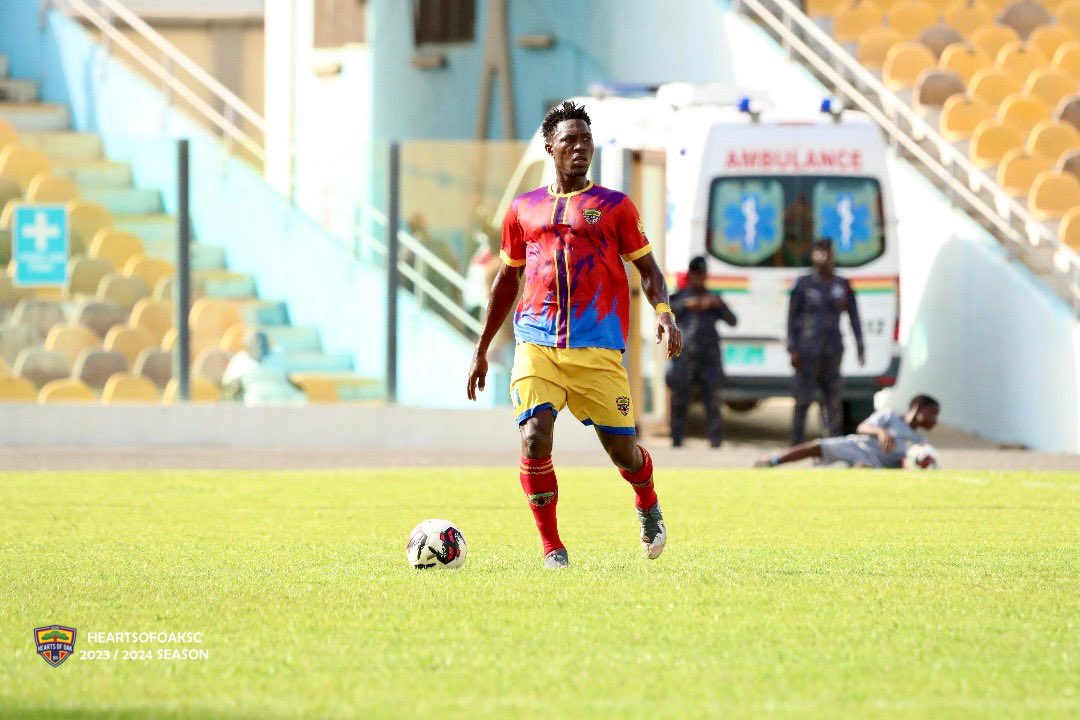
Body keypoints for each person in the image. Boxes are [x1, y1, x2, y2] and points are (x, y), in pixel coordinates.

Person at [466, 100, 682, 568]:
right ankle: (552, 547)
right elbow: (507, 281)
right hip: (536, 344)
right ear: (550, 148)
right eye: (570, 141)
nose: (580, 148)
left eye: (586, 140)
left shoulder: (615, 207)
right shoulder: (523, 209)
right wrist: (482, 349)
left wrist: (663, 311)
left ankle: (647, 501)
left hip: (597, 349)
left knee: (624, 454)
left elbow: (648, 269)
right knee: (533, 439)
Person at [787, 238, 865, 444]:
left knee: (832, 399)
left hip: (833, 350)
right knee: (803, 397)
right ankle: (797, 442)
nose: (823, 256)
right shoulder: (803, 284)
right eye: (818, 252)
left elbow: (854, 317)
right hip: (807, 350)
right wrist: (792, 349)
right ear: (812, 255)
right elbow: (792, 318)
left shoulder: (842, 285)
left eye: (827, 252)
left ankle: (833, 442)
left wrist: (860, 347)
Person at [754, 394, 940, 469]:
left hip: (874, 464)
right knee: (818, 446)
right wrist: (881, 433)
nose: (935, 420)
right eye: (932, 413)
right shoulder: (889, 416)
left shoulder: (918, 441)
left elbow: (911, 463)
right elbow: (862, 427)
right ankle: (773, 461)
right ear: (917, 408)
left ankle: (847, 468)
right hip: (858, 446)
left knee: (860, 469)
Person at [667, 255, 737, 448]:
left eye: (701, 275)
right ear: (690, 276)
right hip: (685, 356)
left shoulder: (713, 299)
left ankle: (715, 441)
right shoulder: (680, 296)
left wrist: (716, 305)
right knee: (679, 399)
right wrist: (687, 305)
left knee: (713, 400)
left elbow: (733, 321)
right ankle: (676, 439)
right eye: (695, 275)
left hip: (709, 357)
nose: (698, 279)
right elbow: (666, 308)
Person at [221, 330, 306, 406]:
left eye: (262, 341)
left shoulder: (279, 355)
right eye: (254, 342)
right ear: (247, 345)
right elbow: (228, 382)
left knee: (300, 400)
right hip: (256, 394)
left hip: (283, 391)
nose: (258, 344)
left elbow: (292, 377)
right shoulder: (240, 359)